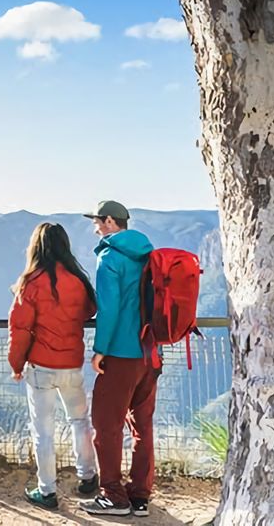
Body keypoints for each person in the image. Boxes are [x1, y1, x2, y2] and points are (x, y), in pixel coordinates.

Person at [8, 222, 98, 510]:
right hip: (72, 364)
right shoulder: (77, 280)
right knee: (80, 421)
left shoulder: (30, 283)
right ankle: (88, 477)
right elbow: (90, 310)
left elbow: (19, 328)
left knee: (43, 432)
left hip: (41, 368)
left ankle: (47, 491)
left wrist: (17, 364)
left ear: (36, 247)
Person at [79, 201, 156, 518]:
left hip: (121, 355)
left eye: (97, 221)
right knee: (143, 428)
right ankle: (140, 497)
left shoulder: (110, 257)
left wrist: (100, 350)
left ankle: (114, 496)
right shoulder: (148, 255)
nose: (95, 227)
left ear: (110, 221)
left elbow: (108, 310)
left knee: (106, 427)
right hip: (150, 353)